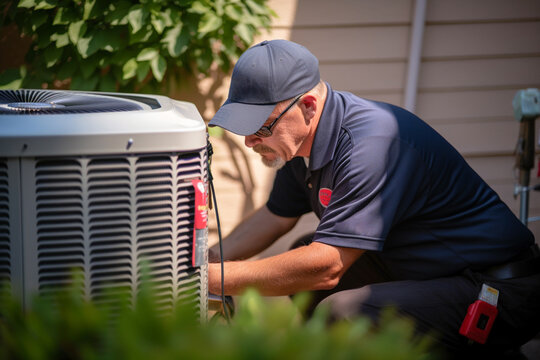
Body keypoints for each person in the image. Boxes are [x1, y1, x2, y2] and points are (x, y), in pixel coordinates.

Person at [207, 39, 540, 356]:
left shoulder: (371, 145)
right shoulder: (301, 149)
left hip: (496, 290)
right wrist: (197, 265)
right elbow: (275, 216)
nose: (250, 141)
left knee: (346, 312)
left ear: (307, 106)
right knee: (301, 257)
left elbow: (327, 267)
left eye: (261, 127)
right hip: (432, 276)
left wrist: (213, 279)